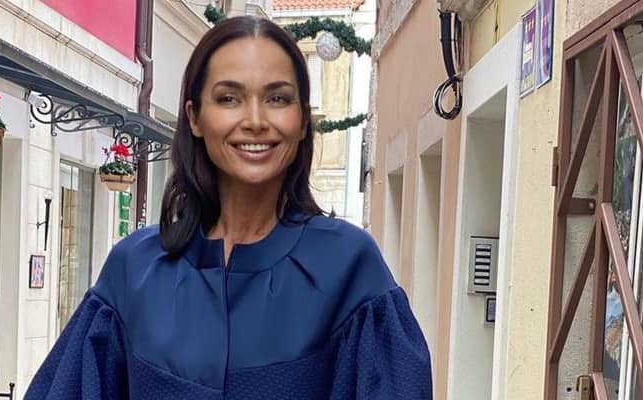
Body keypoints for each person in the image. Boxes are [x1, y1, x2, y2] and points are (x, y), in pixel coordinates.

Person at [26, 16, 431, 399]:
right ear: (195, 117)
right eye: (229, 98)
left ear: (303, 119)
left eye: (277, 98)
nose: (255, 120)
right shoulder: (134, 269)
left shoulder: (350, 268)